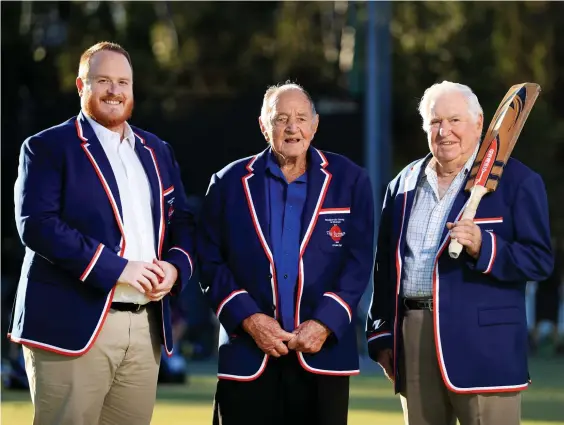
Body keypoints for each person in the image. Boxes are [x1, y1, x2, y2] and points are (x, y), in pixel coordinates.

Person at [8, 41, 196, 425]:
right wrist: (119, 268)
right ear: (81, 86)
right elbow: (37, 225)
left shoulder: (157, 150)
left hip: (145, 329)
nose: (115, 90)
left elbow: (182, 222)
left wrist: (176, 269)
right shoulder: (46, 147)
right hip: (71, 326)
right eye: (103, 80)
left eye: (123, 81)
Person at [366, 81, 554, 425]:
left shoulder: (519, 182)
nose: (444, 132)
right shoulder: (402, 184)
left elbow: (540, 260)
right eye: (435, 122)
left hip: (485, 345)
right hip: (413, 337)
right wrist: (381, 334)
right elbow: (384, 269)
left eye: (455, 120)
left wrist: (486, 246)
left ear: (480, 124)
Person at [197, 82, 375, 425]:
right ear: (264, 126)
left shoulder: (351, 180)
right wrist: (249, 319)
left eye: (301, 118)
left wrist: (325, 322)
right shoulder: (227, 182)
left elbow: (359, 260)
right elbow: (209, 260)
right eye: (281, 118)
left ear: (315, 124)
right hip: (248, 352)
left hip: (323, 353)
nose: (292, 127)